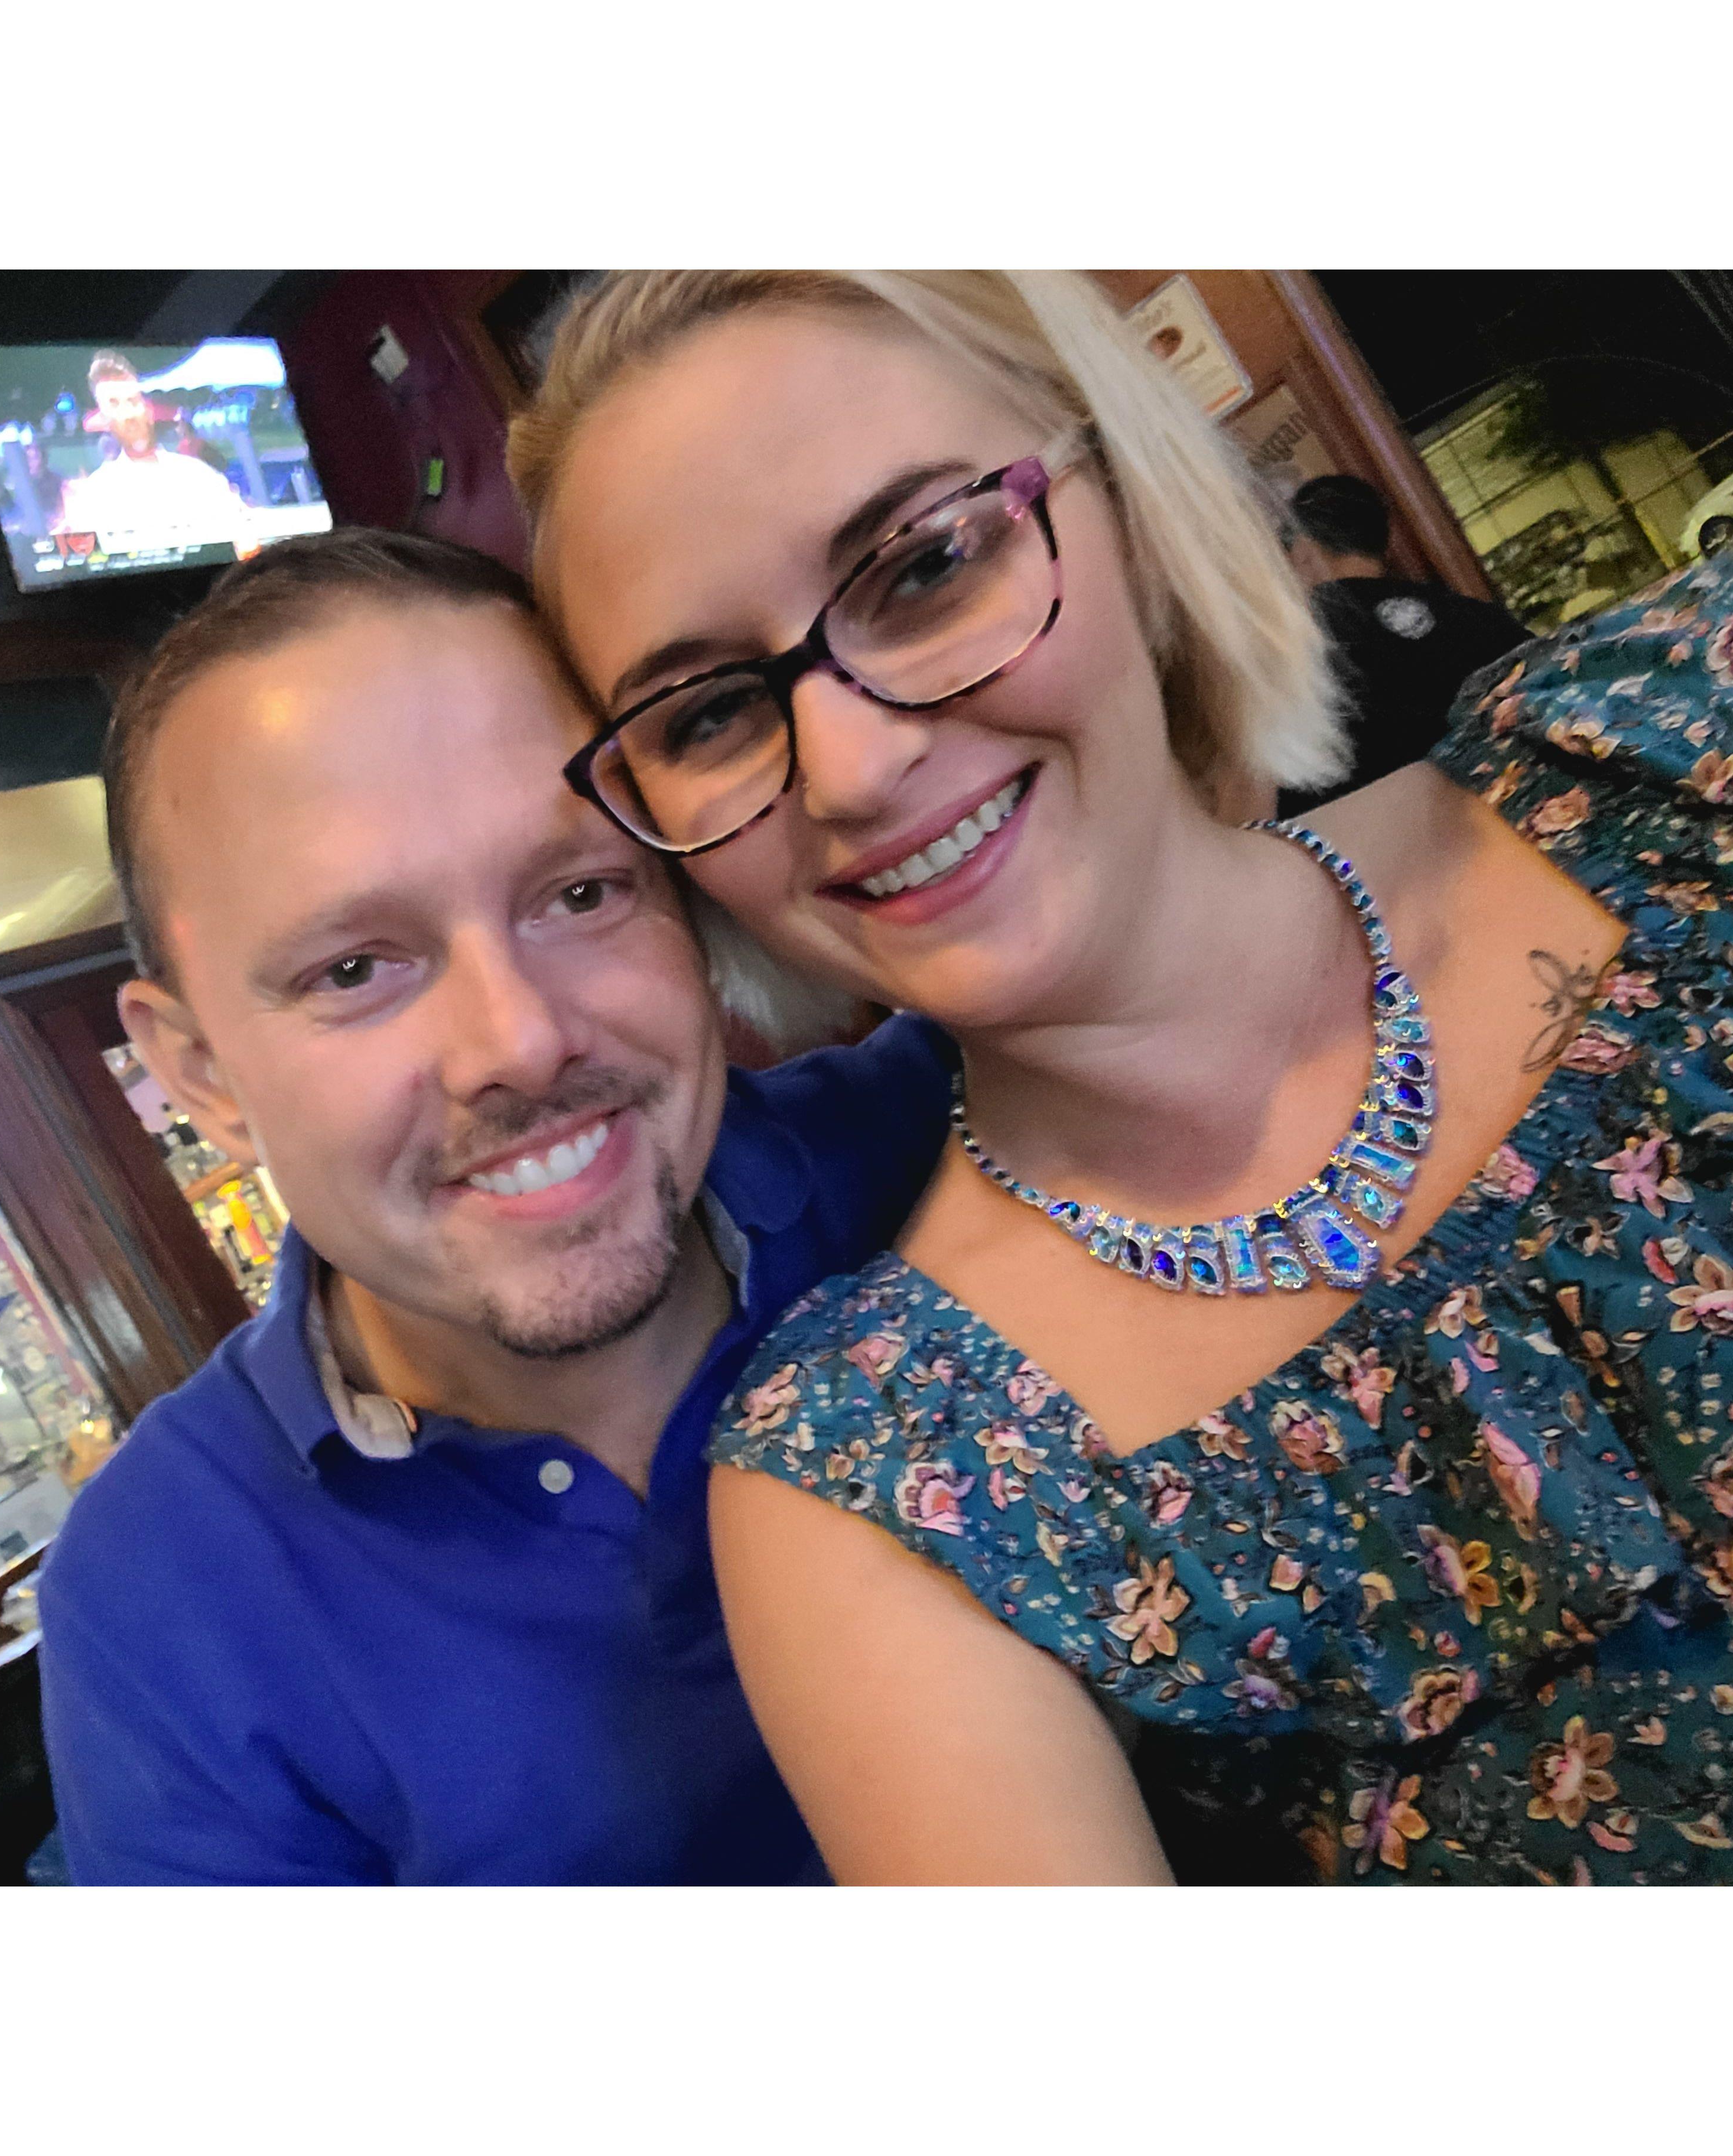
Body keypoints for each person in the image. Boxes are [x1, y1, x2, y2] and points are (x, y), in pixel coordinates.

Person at [510, 270, 1733, 1886]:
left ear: (1135, 512)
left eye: (926, 565)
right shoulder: (883, 1486)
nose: (854, 768)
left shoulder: (1670, 744)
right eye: (713, 713)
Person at [34, 528, 953, 1883]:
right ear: (200, 1073)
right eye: (356, 968)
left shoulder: (948, 1133)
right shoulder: (159, 1601)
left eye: (580, 893)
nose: (518, 1040)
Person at [1280, 472, 1527, 813]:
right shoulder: (1472, 616)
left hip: (1404, 831)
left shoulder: (1297, 656)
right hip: (1522, 814)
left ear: (1304, 553)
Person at [54, 350, 251, 554]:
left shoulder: (201, 476)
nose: (128, 414)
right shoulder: (93, 496)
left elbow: (243, 541)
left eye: (132, 401)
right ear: (104, 419)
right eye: (114, 404)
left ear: (148, 410)